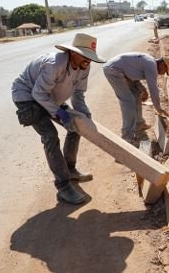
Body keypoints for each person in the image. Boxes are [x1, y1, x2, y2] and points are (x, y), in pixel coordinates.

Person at [11, 33, 106, 205]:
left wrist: (84, 115)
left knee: (76, 125)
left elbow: (78, 94)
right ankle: (63, 186)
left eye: (91, 58)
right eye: (86, 56)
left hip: (50, 97)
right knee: (50, 136)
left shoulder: (85, 66)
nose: (89, 61)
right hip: (28, 97)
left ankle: (70, 169)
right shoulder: (55, 64)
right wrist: (61, 114)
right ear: (74, 53)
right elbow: (38, 93)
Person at [102, 53, 169, 146]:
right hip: (114, 71)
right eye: (165, 71)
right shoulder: (151, 66)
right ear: (162, 64)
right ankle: (127, 137)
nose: (163, 74)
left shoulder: (150, 62)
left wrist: (143, 89)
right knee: (128, 101)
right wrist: (158, 108)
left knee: (136, 94)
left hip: (122, 72)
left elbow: (133, 74)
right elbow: (153, 88)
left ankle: (139, 124)